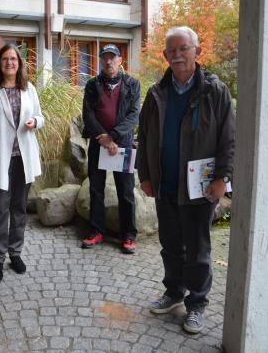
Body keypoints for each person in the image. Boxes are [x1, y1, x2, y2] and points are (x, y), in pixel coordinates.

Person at [137, 26, 235, 334]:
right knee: (170, 246)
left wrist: (222, 178)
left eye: (184, 48)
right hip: (165, 185)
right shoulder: (156, 93)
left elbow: (228, 139)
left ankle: (197, 304)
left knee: (198, 251)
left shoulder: (214, 91)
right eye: (172, 51)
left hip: (199, 189)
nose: (177, 55)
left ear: (197, 51)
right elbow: (146, 137)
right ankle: (174, 292)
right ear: (165, 56)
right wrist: (146, 176)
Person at [0, 44, 44, 282]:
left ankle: (15, 253)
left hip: (23, 159)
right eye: (5, 59)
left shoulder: (29, 89)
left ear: (19, 63)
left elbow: (40, 116)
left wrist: (34, 121)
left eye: (13, 59)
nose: (9, 63)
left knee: (19, 210)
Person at [81, 44, 140, 254]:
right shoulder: (92, 84)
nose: (108, 61)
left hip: (122, 145)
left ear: (120, 60)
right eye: (104, 57)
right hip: (98, 144)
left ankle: (129, 236)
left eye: (112, 57)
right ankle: (96, 231)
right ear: (101, 60)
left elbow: (134, 114)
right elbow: (87, 114)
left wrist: (113, 136)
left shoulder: (132, 84)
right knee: (96, 190)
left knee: (126, 191)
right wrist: (102, 138)